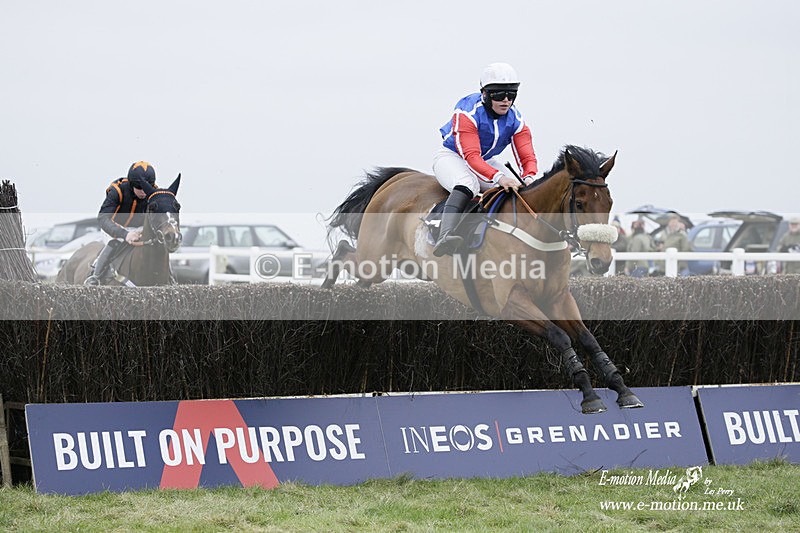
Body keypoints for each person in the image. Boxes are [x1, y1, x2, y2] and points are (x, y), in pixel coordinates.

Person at [432, 62, 539, 256]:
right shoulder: (467, 112)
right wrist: (499, 178)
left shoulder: (516, 118)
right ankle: (445, 235)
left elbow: (527, 156)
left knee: (520, 189)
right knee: (468, 183)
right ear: (485, 94)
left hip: (485, 160)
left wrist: (530, 177)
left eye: (511, 95)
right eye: (499, 95)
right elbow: (471, 157)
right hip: (452, 157)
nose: (506, 100)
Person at [84, 161, 156, 286]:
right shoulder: (117, 190)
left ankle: (170, 277)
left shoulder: (154, 193)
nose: (144, 192)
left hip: (139, 228)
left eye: (147, 188)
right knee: (114, 242)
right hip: (115, 227)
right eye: (140, 188)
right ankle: (95, 276)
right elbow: (103, 218)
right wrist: (125, 234)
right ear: (132, 184)